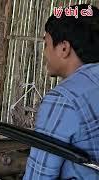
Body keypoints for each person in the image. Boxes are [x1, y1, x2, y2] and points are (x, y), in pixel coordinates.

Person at [23, 4, 99, 179]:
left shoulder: (63, 99)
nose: (45, 53)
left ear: (64, 48)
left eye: (47, 44)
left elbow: (39, 176)